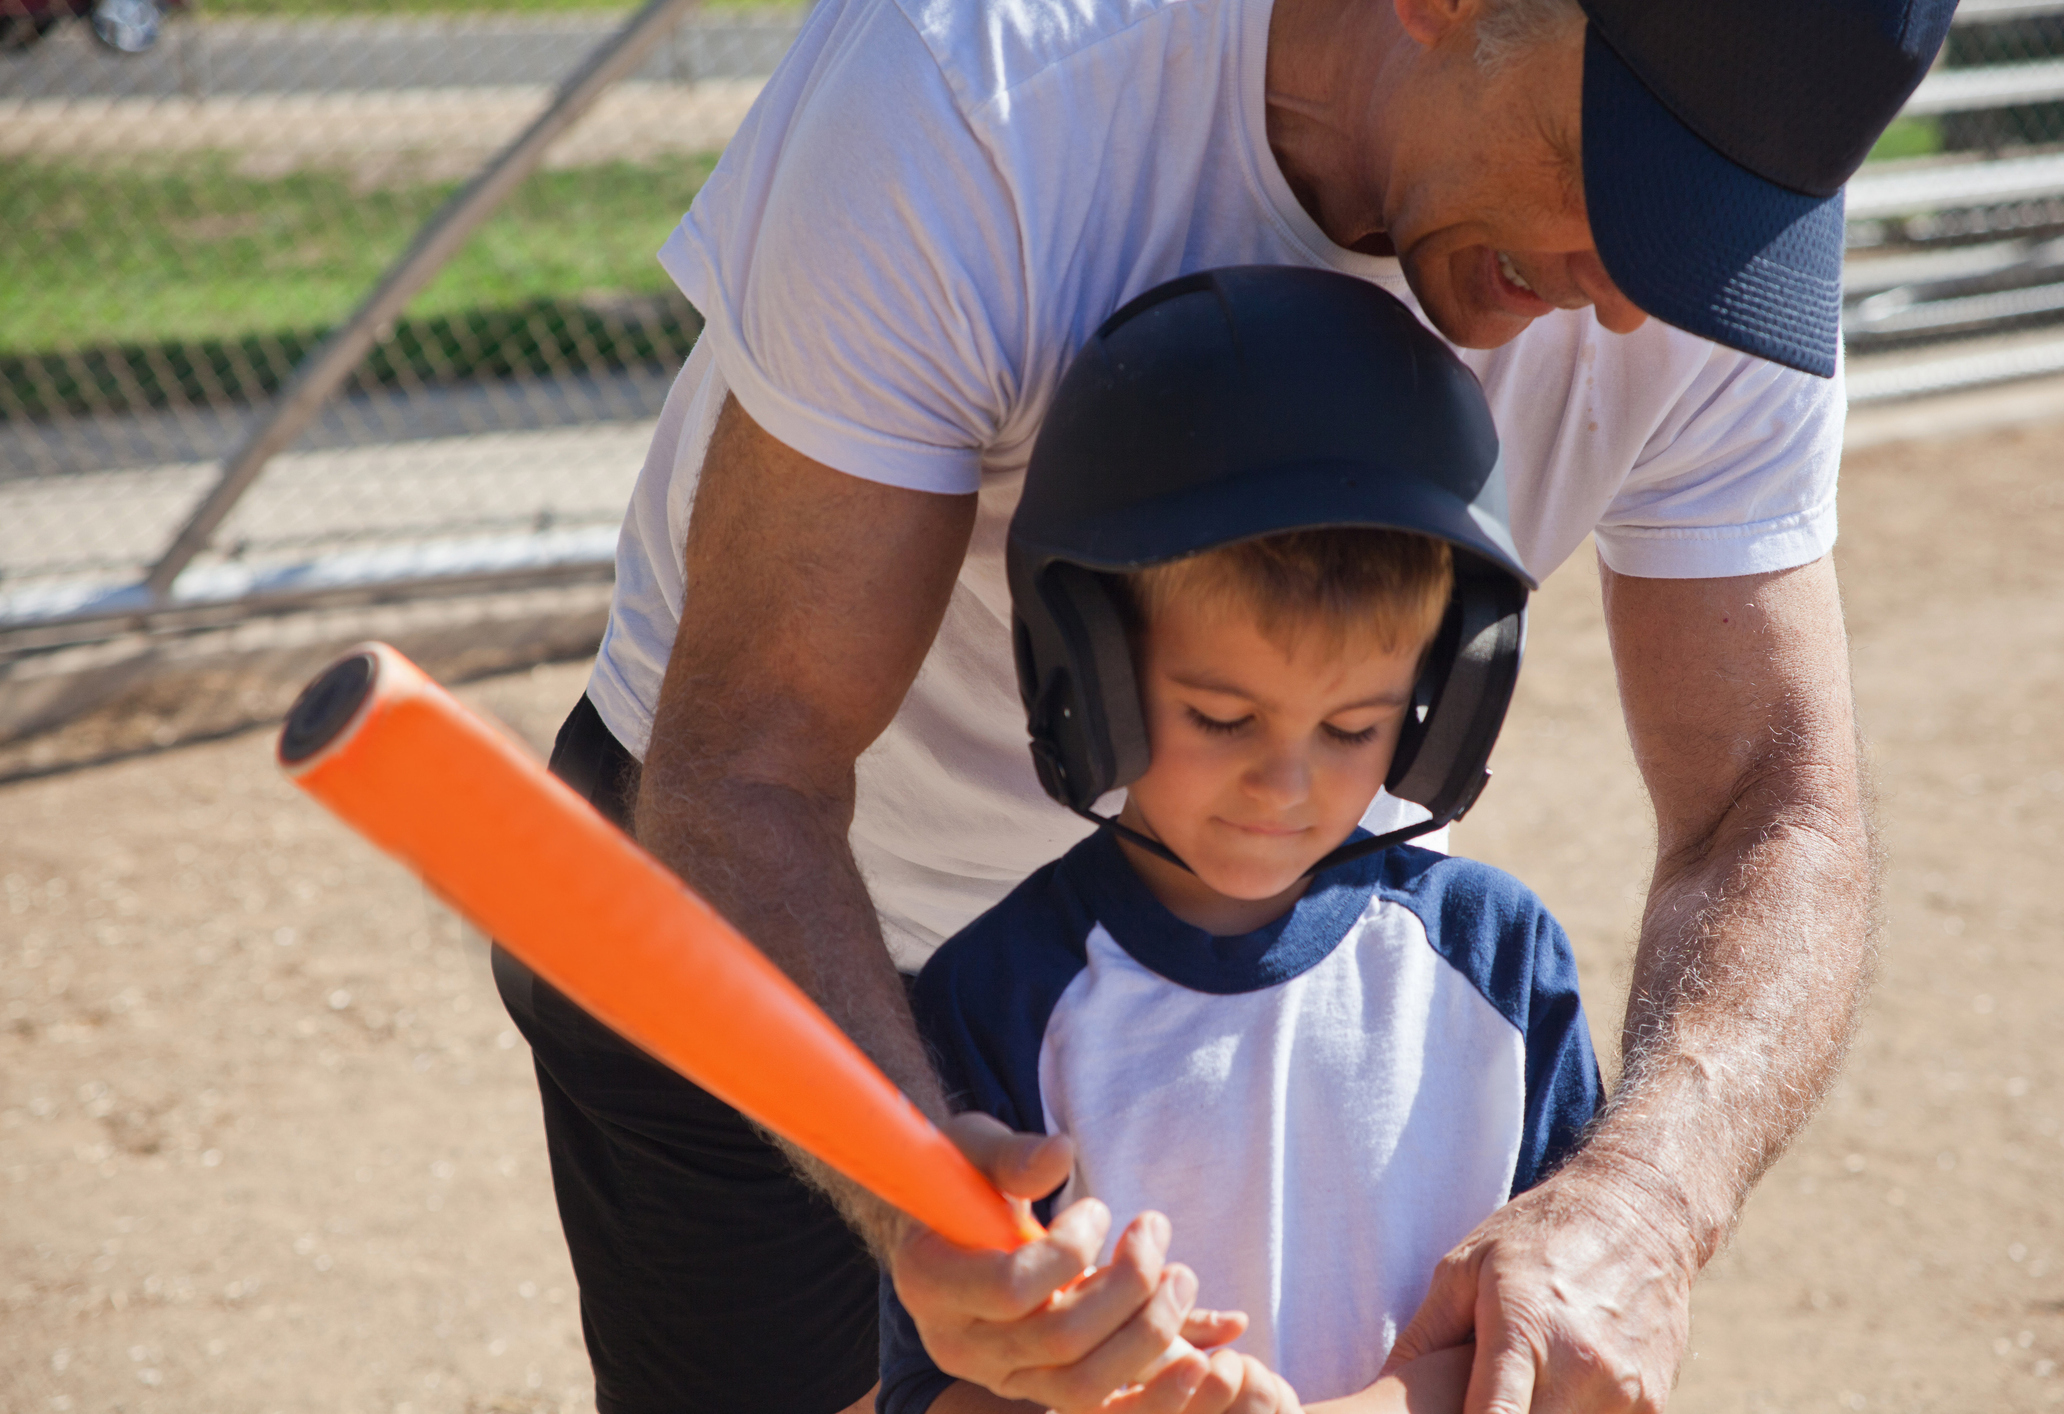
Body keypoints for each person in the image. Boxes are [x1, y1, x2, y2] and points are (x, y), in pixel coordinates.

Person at [498, 0, 1955, 1407]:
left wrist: (1645, 1199)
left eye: (1719, 218)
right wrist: (918, 1195)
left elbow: (1772, 793)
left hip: (1272, 954)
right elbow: (746, 760)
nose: (1642, 298)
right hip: (783, 936)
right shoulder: (979, 83)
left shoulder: (1691, 269)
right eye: (1618, 174)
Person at [877, 268, 1603, 1414]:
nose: (1287, 783)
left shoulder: (1496, 962)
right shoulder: (996, 993)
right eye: (1222, 717)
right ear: (1092, 680)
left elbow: (1571, 1344)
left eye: (1356, 726)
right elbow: (937, 1390)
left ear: (1442, 702)